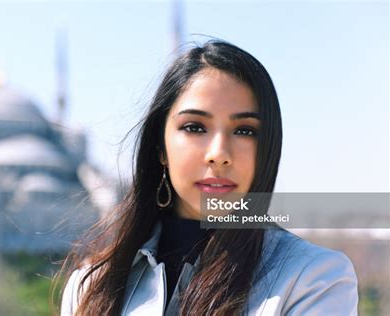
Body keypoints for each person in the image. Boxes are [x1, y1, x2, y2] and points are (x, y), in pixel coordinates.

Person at [57, 40, 358, 315]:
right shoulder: (91, 287)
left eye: (244, 131)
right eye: (195, 127)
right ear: (160, 146)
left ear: (267, 149)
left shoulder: (314, 279)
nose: (219, 153)